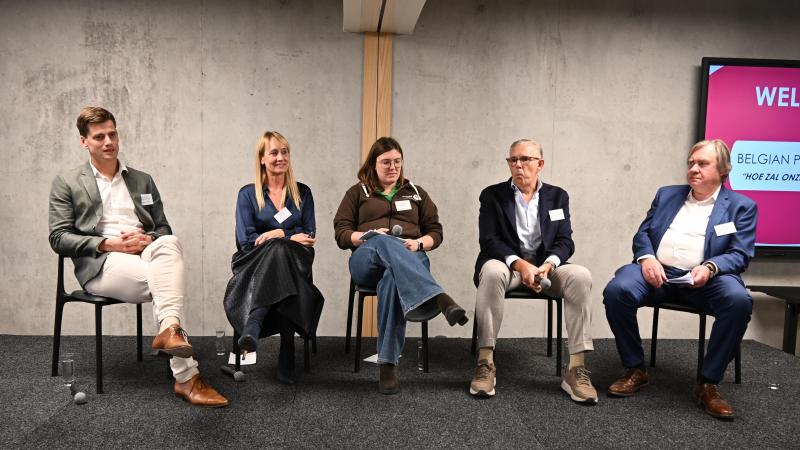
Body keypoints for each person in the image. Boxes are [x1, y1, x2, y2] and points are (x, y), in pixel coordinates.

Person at [48, 106, 228, 407]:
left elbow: (163, 227)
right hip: (102, 265)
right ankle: (187, 377)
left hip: (146, 254)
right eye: (99, 136)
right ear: (84, 142)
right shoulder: (67, 182)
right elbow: (58, 238)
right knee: (166, 281)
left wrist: (149, 238)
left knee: (170, 241)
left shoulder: (142, 180)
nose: (108, 141)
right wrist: (108, 244)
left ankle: (170, 330)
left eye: (112, 134)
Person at [603, 139, 757, 420]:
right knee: (617, 290)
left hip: (708, 280)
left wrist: (710, 267)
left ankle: (708, 383)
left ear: (723, 169)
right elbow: (643, 234)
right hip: (658, 274)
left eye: (702, 163)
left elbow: (740, 253)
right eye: (691, 163)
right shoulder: (667, 195)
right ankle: (635, 369)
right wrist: (647, 258)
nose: (693, 169)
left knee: (738, 301)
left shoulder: (741, 206)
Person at [333, 137, 468, 394]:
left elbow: (436, 233)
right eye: (386, 162)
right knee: (384, 242)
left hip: (410, 258)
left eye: (397, 161)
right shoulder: (357, 192)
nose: (393, 167)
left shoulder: (417, 193)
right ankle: (438, 296)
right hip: (367, 258)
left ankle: (387, 364)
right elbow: (341, 233)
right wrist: (368, 235)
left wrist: (417, 244)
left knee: (392, 279)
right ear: (373, 164)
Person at [470, 139, 597, 403]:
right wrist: (520, 264)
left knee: (581, 276)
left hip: (545, 266)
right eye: (512, 160)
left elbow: (565, 241)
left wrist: (548, 265)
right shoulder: (492, 195)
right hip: (509, 266)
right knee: (491, 271)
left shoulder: (557, 196)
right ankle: (485, 362)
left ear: (540, 164)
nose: (518, 165)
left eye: (524, 159)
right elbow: (490, 241)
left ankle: (576, 368)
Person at [223, 131, 323, 385]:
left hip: (297, 258)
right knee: (279, 254)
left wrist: (278, 235)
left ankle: (253, 323)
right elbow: (246, 240)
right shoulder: (248, 194)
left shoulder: (303, 192)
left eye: (285, 152)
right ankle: (287, 350)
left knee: (280, 250)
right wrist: (288, 236)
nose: (281, 157)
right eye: (274, 152)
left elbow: (309, 234)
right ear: (262, 159)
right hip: (253, 260)